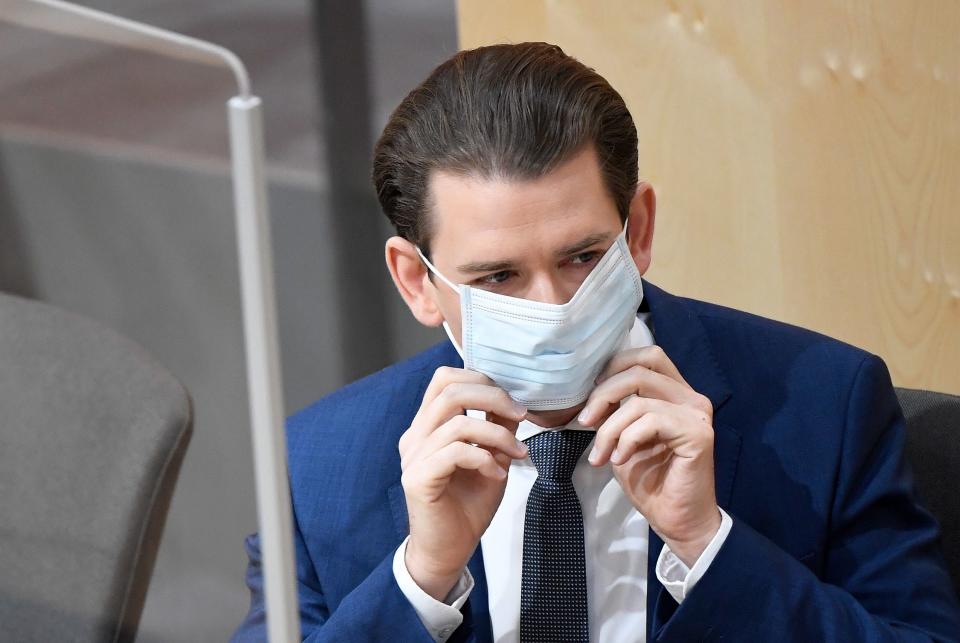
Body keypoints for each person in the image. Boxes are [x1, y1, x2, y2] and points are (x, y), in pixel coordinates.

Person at [232, 42, 960, 642]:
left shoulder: (827, 407)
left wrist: (707, 543)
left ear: (637, 231)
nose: (554, 305)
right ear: (417, 282)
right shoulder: (318, 466)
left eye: (582, 256)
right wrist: (422, 576)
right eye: (498, 276)